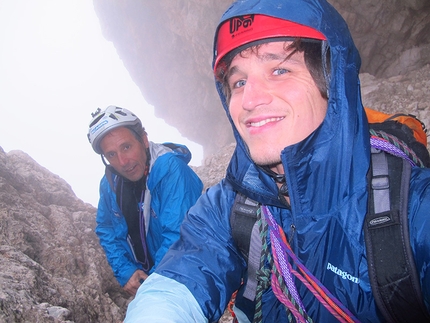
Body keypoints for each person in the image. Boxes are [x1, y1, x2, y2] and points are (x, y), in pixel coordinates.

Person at [124, 0, 430, 322]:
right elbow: (178, 285)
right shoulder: (228, 206)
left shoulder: (412, 211)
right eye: (238, 82)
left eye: (279, 70)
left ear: (333, 81)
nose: (250, 99)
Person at [87, 105, 203, 296]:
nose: (123, 162)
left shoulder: (170, 170)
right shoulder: (111, 182)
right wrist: (125, 271)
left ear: (143, 140)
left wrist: (151, 286)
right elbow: (106, 227)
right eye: (111, 154)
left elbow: (180, 236)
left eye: (126, 147)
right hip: (149, 277)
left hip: (185, 277)